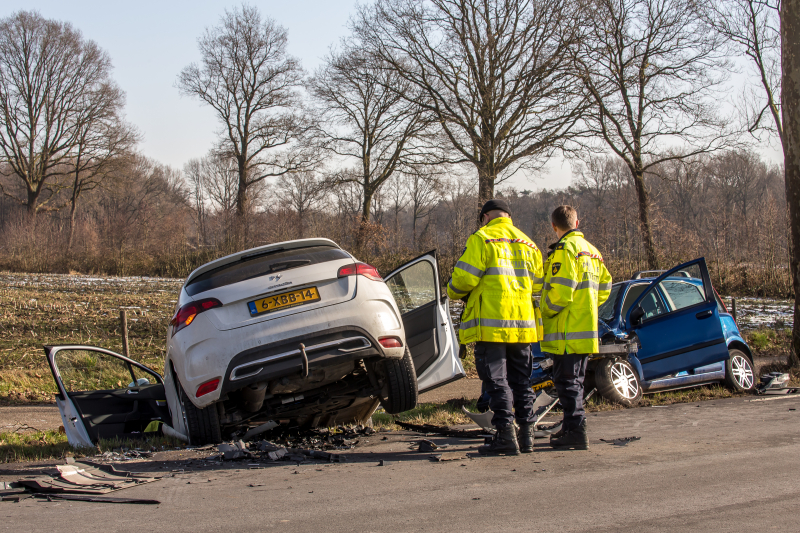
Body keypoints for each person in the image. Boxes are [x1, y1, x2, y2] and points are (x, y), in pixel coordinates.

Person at [447, 199, 544, 455]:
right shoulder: (529, 243)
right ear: (508, 216)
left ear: (485, 217)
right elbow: (538, 286)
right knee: (522, 381)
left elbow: (463, 280)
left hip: (491, 325)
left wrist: (451, 288)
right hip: (523, 326)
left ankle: (505, 436)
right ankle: (527, 436)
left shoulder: (482, 238)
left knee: (497, 380)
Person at [539, 205, 612, 450]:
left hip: (566, 330)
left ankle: (577, 430)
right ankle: (571, 428)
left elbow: (560, 294)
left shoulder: (565, 250)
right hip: (585, 329)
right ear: (577, 222)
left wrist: (544, 310)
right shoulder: (593, 252)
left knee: (566, 381)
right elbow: (605, 288)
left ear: (554, 226)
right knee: (575, 382)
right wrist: (588, 304)